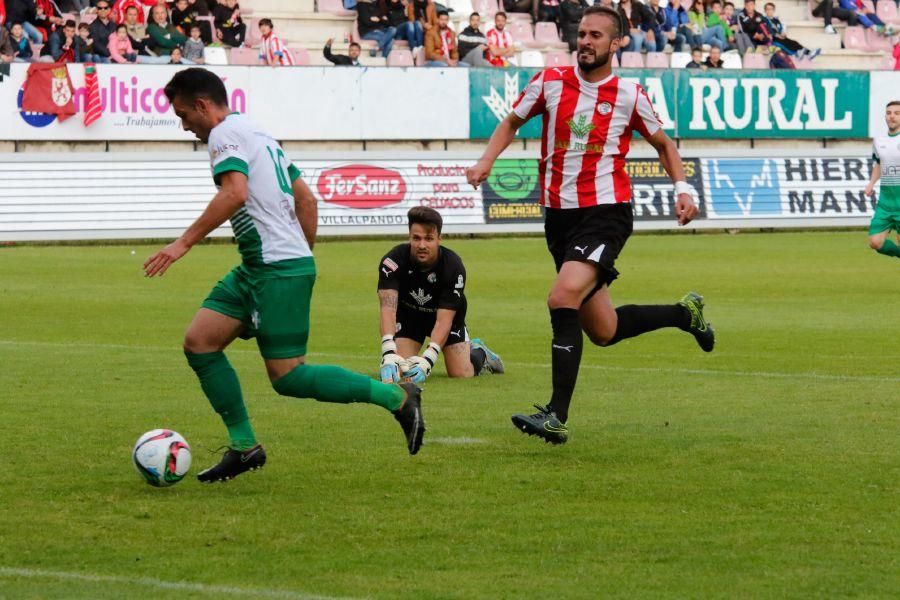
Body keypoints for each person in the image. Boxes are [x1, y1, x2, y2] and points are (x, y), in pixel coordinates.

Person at [144, 68, 426, 482]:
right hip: (262, 266)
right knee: (200, 343)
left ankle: (396, 397)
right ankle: (245, 447)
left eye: (185, 116)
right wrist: (300, 255)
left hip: (275, 269)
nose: (186, 127)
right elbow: (306, 199)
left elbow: (235, 192)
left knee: (289, 377)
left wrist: (182, 243)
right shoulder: (256, 132)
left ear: (203, 105)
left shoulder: (224, 135)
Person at [466, 5, 714, 445]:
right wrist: (486, 160)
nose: (585, 41)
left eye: (596, 35)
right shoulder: (549, 82)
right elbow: (511, 122)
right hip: (559, 218)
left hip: (606, 212)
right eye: (582, 34)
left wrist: (684, 189)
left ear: (617, 43)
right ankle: (685, 314)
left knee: (562, 295)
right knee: (604, 330)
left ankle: (556, 416)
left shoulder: (629, 94)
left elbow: (663, 143)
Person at [377, 207, 504, 385]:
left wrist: (428, 359)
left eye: (428, 239)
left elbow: (444, 320)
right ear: (409, 237)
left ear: (439, 239)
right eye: (416, 238)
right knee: (401, 369)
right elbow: (387, 309)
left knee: (461, 373)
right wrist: (388, 352)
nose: (422, 245)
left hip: (446, 318)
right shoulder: (392, 262)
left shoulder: (453, 267)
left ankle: (480, 352)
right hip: (409, 317)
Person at [865, 101, 900, 260]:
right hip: (886, 202)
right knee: (875, 242)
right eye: (889, 113)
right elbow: (879, 163)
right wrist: (871, 183)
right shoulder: (879, 140)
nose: (892, 116)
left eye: (896, 113)